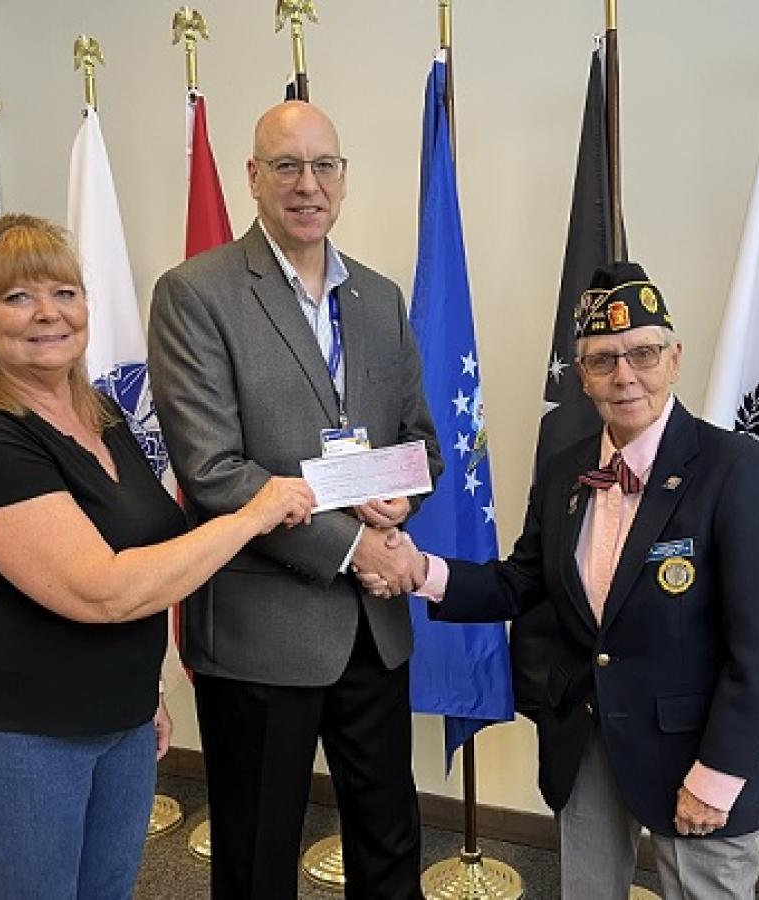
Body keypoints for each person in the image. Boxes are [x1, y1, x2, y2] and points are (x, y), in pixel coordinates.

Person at [361, 261, 759, 900]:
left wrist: (722, 769)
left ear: (675, 358)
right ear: (582, 376)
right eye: (602, 360)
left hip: (696, 751)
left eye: (642, 354)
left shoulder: (738, 470)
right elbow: (521, 581)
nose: (625, 376)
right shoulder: (567, 469)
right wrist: (418, 571)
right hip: (588, 740)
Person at [0, 213, 316, 900]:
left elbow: (149, 549)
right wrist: (253, 515)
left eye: (64, 293)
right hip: (17, 734)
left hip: (120, 718)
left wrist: (150, 685)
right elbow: (104, 590)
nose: (48, 314)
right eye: (18, 297)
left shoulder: (102, 413)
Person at [146, 100, 441, 900]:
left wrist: (398, 501)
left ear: (343, 179)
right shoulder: (196, 294)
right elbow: (211, 471)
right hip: (259, 630)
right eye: (287, 166)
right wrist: (355, 545)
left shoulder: (380, 299)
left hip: (372, 629)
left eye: (324, 166)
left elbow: (421, 442)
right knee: (257, 854)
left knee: (389, 839)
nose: (307, 185)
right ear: (253, 176)